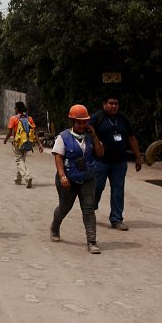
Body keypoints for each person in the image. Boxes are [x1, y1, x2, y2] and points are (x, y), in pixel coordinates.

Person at [50, 104, 105, 254]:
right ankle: (55, 227)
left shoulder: (90, 137)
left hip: (87, 178)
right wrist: (62, 176)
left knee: (88, 208)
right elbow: (58, 158)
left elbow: (100, 154)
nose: (82, 125)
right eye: (78, 122)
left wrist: (94, 136)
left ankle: (91, 241)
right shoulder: (63, 137)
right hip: (67, 179)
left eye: (84, 122)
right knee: (64, 207)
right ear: (72, 122)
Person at [91, 95, 142, 231]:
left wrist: (138, 157)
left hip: (119, 162)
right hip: (100, 162)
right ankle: (90, 209)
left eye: (116, 103)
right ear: (104, 104)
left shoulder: (123, 120)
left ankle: (116, 219)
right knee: (97, 188)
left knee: (118, 191)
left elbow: (131, 138)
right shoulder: (97, 118)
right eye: (111, 103)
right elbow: (86, 134)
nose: (114, 106)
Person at [3, 101, 44, 187]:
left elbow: (10, 132)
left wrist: (6, 140)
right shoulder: (29, 118)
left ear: (17, 109)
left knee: (19, 160)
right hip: (28, 142)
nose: (14, 109)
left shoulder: (13, 119)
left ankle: (27, 177)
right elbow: (35, 132)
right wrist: (39, 144)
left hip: (18, 143)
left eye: (15, 108)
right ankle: (18, 179)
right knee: (21, 160)